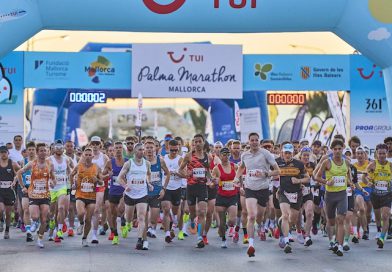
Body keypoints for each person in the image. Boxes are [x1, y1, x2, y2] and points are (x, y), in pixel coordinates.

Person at [315, 140, 367, 257]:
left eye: (339, 149)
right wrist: (327, 181)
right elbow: (316, 177)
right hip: (330, 195)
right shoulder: (327, 162)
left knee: (341, 220)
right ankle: (332, 240)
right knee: (331, 221)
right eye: (335, 149)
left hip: (342, 194)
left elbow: (348, 177)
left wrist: (351, 183)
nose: (337, 151)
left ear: (343, 149)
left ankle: (340, 245)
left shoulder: (347, 163)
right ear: (332, 150)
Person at [233, 132, 280, 257]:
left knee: (259, 216)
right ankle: (251, 245)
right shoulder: (245, 155)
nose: (254, 142)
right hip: (250, 188)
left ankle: (260, 226)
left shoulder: (266, 154)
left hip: (263, 188)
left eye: (256, 140)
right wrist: (236, 178)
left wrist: (266, 174)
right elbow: (241, 167)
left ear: (259, 141)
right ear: (249, 142)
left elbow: (277, 171)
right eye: (252, 140)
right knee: (251, 215)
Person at [17, 143, 56, 248]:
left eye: (45, 150)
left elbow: (53, 177)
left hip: (45, 195)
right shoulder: (32, 163)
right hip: (33, 195)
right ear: (37, 152)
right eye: (41, 151)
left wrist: (53, 182)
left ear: (47, 152)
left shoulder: (50, 164)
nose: (43, 152)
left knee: (44, 219)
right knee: (34, 216)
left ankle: (40, 239)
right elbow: (19, 173)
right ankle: (34, 223)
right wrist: (22, 187)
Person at [179, 134, 213, 248]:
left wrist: (211, 179)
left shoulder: (208, 156)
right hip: (191, 187)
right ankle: (192, 221)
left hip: (202, 187)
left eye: (199, 141)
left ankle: (199, 237)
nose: (197, 143)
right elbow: (180, 170)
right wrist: (186, 174)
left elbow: (208, 171)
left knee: (202, 212)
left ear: (203, 142)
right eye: (196, 142)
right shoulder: (189, 156)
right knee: (192, 213)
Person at [118, 143, 153, 250]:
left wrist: (149, 183)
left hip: (142, 194)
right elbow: (119, 178)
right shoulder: (129, 163)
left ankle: (139, 240)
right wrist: (125, 186)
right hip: (130, 194)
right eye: (139, 150)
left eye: (143, 150)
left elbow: (148, 174)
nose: (142, 152)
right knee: (128, 218)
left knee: (141, 217)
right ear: (135, 151)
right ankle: (126, 222)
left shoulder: (147, 163)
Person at [276, 143, 310, 253]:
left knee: (292, 219)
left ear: (293, 153)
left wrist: (299, 181)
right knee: (285, 215)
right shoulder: (277, 162)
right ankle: (286, 241)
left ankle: (281, 225)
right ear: (282, 152)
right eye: (285, 152)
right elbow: (271, 171)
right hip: (283, 193)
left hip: (296, 194)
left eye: (289, 153)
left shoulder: (299, 164)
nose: (287, 155)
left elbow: (307, 178)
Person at [70, 147, 103, 247]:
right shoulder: (79, 166)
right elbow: (71, 175)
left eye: (90, 155)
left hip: (91, 197)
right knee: (81, 213)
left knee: (88, 219)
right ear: (83, 156)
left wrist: (97, 180)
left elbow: (101, 182)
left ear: (93, 156)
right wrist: (73, 185)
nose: (88, 157)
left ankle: (84, 238)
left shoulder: (97, 167)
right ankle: (80, 223)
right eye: (86, 155)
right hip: (80, 194)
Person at [363, 143, 392, 249]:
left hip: (387, 194)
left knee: (385, 215)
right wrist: (368, 182)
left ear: (387, 153)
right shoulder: (372, 165)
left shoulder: (390, 165)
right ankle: (379, 229)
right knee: (378, 216)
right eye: (380, 153)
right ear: (376, 153)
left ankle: (382, 238)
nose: (382, 155)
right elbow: (364, 178)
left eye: (384, 153)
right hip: (375, 194)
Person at [212, 147, 239, 248]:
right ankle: (223, 240)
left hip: (232, 196)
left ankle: (228, 226)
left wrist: (240, 184)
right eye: (224, 155)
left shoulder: (234, 166)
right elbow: (212, 181)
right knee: (222, 223)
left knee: (232, 221)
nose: (226, 157)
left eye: (228, 155)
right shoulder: (216, 168)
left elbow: (240, 176)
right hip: (221, 196)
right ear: (220, 155)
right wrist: (214, 182)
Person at [48, 140, 74, 243]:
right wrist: (49, 181)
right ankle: (51, 226)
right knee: (51, 213)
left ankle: (59, 230)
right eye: (57, 147)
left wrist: (72, 182)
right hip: (52, 188)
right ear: (54, 148)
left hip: (63, 187)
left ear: (63, 148)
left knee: (62, 208)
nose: (59, 149)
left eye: (60, 147)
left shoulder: (67, 159)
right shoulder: (48, 160)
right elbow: (45, 173)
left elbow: (71, 171)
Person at [144, 140, 170, 242]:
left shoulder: (160, 160)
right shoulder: (141, 161)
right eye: (147, 148)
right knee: (143, 218)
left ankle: (151, 228)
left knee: (154, 219)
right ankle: (143, 240)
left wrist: (164, 188)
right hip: (143, 193)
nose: (149, 150)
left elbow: (167, 174)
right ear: (144, 149)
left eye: (151, 147)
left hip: (156, 193)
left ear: (155, 148)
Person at [161, 139, 187, 241]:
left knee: (177, 212)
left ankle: (179, 230)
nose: (174, 152)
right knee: (166, 209)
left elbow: (185, 175)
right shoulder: (163, 159)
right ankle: (167, 233)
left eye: (176, 150)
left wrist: (176, 173)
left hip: (177, 188)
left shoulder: (180, 160)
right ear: (168, 148)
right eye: (172, 150)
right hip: (166, 187)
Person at [104, 141, 127, 245]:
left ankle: (123, 221)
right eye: (116, 148)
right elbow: (102, 175)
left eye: (120, 148)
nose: (118, 150)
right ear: (113, 150)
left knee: (121, 209)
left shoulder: (127, 162)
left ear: (122, 149)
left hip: (123, 191)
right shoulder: (110, 162)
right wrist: (108, 175)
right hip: (113, 191)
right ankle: (115, 233)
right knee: (113, 214)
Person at [90, 136, 110, 244]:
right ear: (90, 144)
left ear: (100, 145)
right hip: (88, 187)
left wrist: (101, 177)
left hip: (100, 185)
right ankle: (83, 224)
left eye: (97, 144)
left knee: (97, 209)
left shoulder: (105, 157)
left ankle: (94, 234)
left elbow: (109, 172)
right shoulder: (87, 156)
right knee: (87, 211)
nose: (95, 146)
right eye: (93, 143)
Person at [0, 146, 20, 239]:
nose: (3, 154)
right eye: (1, 152)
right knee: (0, 209)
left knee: (8, 213)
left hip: (10, 190)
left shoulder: (13, 164)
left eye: (5, 152)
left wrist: (15, 180)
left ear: (8, 153)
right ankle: (1, 221)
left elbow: (20, 173)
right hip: (0, 190)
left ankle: (7, 230)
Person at [19, 142, 36, 242]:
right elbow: (19, 174)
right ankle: (28, 231)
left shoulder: (40, 161)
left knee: (36, 213)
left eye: (32, 149)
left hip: (38, 188)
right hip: (26, 187)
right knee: (26, 209)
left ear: (35, 150)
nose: (31, 151)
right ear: (26, 151)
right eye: (29, 149)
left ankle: (36, 223)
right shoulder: (23, 161)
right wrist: (21, 186)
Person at [299, 146, 315, 247]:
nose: (306, 157)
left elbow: (315, 176)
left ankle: (307, 236)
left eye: (307, 155)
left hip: (308, 192)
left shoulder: (312, 165)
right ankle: (299, 232)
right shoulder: (296, 165)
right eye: (304, 155)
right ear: (300, 156)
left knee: (309, 213)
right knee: (297, 215)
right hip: (297, 193)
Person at [353, 146, 371, 241]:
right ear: (355, 155)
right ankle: (365, 231)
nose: (360, 155)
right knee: (361, 208)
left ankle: (364, 227)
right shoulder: (353, 166)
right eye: (358, 153)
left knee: (368, 213)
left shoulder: (370, 164)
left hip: (369, 189)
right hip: (358, 189)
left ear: (365, 154)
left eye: (361, 153)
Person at [64, 140, 79, 237]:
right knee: (63, 208)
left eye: (71, 146)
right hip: (62, 185)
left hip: (73, 185)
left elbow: (79, 171)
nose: (69, 148)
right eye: (67, 146)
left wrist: (76, 181)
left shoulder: (78, 159)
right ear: (65, 148)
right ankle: (62, 222)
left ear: (74, 148)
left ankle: (71, 227)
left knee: (71, 207)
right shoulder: (62, 158)